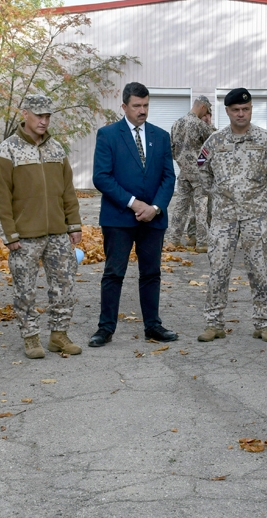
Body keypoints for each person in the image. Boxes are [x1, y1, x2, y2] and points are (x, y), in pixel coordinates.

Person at [0, 94, 84, 359]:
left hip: (57, 232)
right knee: (25, 289)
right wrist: (8, 234)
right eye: (39, 115)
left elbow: (68, 189)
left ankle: (59, 334)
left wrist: (73, 223)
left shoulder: (56, 149)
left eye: (47, 116)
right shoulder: (7, 150)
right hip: (24, 236)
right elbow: (0, 196)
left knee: (64, 285)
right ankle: (31, 336)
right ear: (25, 114)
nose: (44, 121)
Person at [89, 82, 178, 347]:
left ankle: (153, 326)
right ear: (124, 106)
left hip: (153, 219)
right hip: (119, 219)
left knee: (151, 273)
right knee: (114, 273)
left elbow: (168, 177)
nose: (142, 110)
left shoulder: (160, 136)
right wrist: (133, 203)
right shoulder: (108, 135)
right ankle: (105, 328)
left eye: (146, 105)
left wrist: (155, 208)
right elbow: (101, 177)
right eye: (137, 106)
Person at [197, 88, 267, 343]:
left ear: (251, 110)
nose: (241, 114)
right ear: (227, 111)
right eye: (235, 110)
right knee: (218, 270)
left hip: (255, 217)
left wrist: (259, 196)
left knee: (259, 270)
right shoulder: (214, 142)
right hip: (223, 217)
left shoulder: (265, 140)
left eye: (245, 109)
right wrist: (217, 193)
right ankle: (214, 323)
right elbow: (201, 170)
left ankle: (263, 323)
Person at [165, 95, 215, 252]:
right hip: (200, 173)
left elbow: (171, 149)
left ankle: (173, 240)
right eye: (207, 111)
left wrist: (183, 162)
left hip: (183, 172)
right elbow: (216, 141)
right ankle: (202, 242)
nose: (206, 114)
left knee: (181, 205)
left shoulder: (176, 124)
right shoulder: (199, 124)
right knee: (201, 206)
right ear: (203, 107)